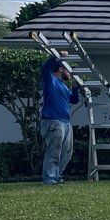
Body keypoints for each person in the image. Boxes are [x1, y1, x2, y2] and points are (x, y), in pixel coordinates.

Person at [39, 55, 82, 185]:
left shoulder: (63, 85)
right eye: (68, 70)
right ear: (62, 69)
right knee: (54, 151)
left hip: (65, 122)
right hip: (53, 121)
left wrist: (75, 88)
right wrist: (57, 57)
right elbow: (45, 68)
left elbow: (73, 100)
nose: (70, 74)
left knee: (67, 153)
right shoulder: (50, 80)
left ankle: (57, 176)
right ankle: (50, 179)